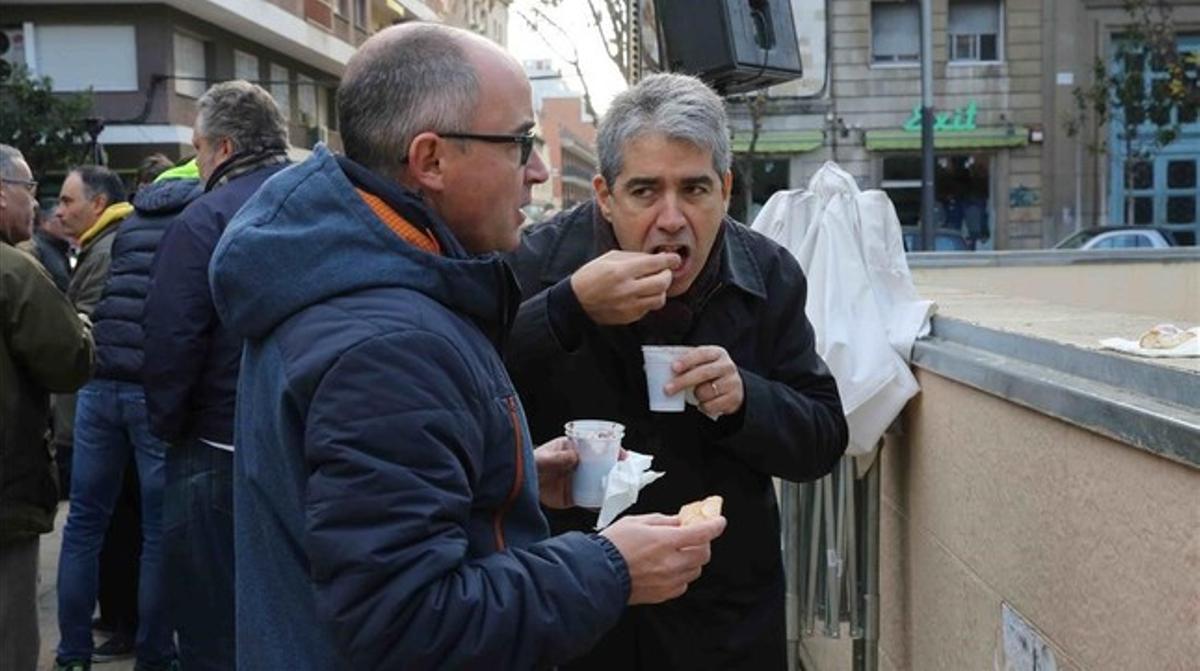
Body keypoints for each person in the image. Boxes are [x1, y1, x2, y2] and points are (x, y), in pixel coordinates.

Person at [209, 23, 726, 671]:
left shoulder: (359, 283)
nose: (538, 170)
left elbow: (352, 510)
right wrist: (610, 565)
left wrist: (505, 478)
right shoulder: (389, 344)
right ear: (431, 161)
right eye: (519, 143)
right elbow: (409, 622)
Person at [504, 73, 849, 670]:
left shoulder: (768, 277)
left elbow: (822, 440)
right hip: (575, 621)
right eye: (644, 191)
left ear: (727, 189)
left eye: (694, 189)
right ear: (604, 196)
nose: (671, 218)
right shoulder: (537, 265)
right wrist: (568, 309)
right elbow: (465, 387)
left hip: (723, 625)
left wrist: (746, 402)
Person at [142, 81, 289, 670]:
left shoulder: (204, 219)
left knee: (212, 619)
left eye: (198, 148)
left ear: (223, 148)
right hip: (308, 442)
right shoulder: (328, 199)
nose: (196, 162)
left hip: (217, 447)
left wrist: (169, 427)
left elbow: (172, 335)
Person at [53, 160, 202, 671]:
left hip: (101, 383)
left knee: (84, 524)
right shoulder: (196, 223)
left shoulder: (130, 223)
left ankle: (72, 653)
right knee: (159, 531)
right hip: (150, 388)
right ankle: (155, 655)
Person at [1, 144, 94, 671]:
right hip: (6, 495)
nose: (37, 207)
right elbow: (71, 362)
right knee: (10, 635)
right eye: (30, 191)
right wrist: (83, 323)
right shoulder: (16, 272)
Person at [17, 207, 72, 293]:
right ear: (45, 222)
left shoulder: (61, 248)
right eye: (59, 219)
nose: (66, 223)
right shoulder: (34, 247)